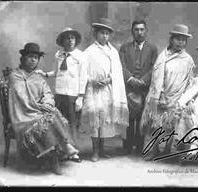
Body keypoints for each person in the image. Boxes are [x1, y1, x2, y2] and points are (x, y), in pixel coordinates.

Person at [8, 43, 81, 175]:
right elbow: (22, 99)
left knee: (54, 113)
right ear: (23, 58)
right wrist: (41, 107)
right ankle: (55, 158)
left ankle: (61, 149)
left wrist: (47, 103)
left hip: (37, 111)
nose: (33, 60)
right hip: (23, 116)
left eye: (36, 57)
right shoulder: (15, 76)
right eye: (30, 57)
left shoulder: (38, 77)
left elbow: (47, 93)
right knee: (48, 120)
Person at [140, 24, 195, 161]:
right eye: (177, 39)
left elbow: (191, 82)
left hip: (178, 97)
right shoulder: (162, 56)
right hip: (161, 96)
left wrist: (184, 99)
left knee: (173, 125)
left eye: (183, 40)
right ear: (171, 39)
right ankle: (153, 150)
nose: (180, 42)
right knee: (156, 124)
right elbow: (157, 79)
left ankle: (167, 150)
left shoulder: (188, 60)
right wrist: (161, 95)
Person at [79, 18, 129, 162]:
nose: (105, 36)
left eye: (107, 34)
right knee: (95, 118)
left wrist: (109, 79)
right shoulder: (89, 52)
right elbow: (83, 72)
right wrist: (92, 80)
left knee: (105, 118)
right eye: (102, 33)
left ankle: (102, 149)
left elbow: (117, 71)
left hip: (107, 89)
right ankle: (95, 151)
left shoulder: (113, 51)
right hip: (93, 89)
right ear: (95, 34)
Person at [36, 27, 87, 145]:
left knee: (73, 123)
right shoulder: (58, 54)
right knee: (59, 122)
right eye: (67, 38)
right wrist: (44, 74)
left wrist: (80, 97)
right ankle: (62, 150)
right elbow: (56, 72)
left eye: (72, 38)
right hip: (60, 93)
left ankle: (74, 150)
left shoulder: (80, 56)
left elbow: (83, 77)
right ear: (62, 41)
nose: (70, 40)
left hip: (72, 95)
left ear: (75, 40)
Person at [119, 20, 158, 155]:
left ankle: (140, 146)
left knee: (142, 118)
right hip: (129, 86)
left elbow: (154, 67)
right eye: (136, 29)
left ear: (146, 31)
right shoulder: (124, 47)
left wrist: (143, 81)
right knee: (129, 118)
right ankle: (128, 146)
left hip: (144, 87)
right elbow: (121, 65)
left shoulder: (152, 48)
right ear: (132, 32)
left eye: (142, 29)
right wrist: (130, 79)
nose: (139, 32)